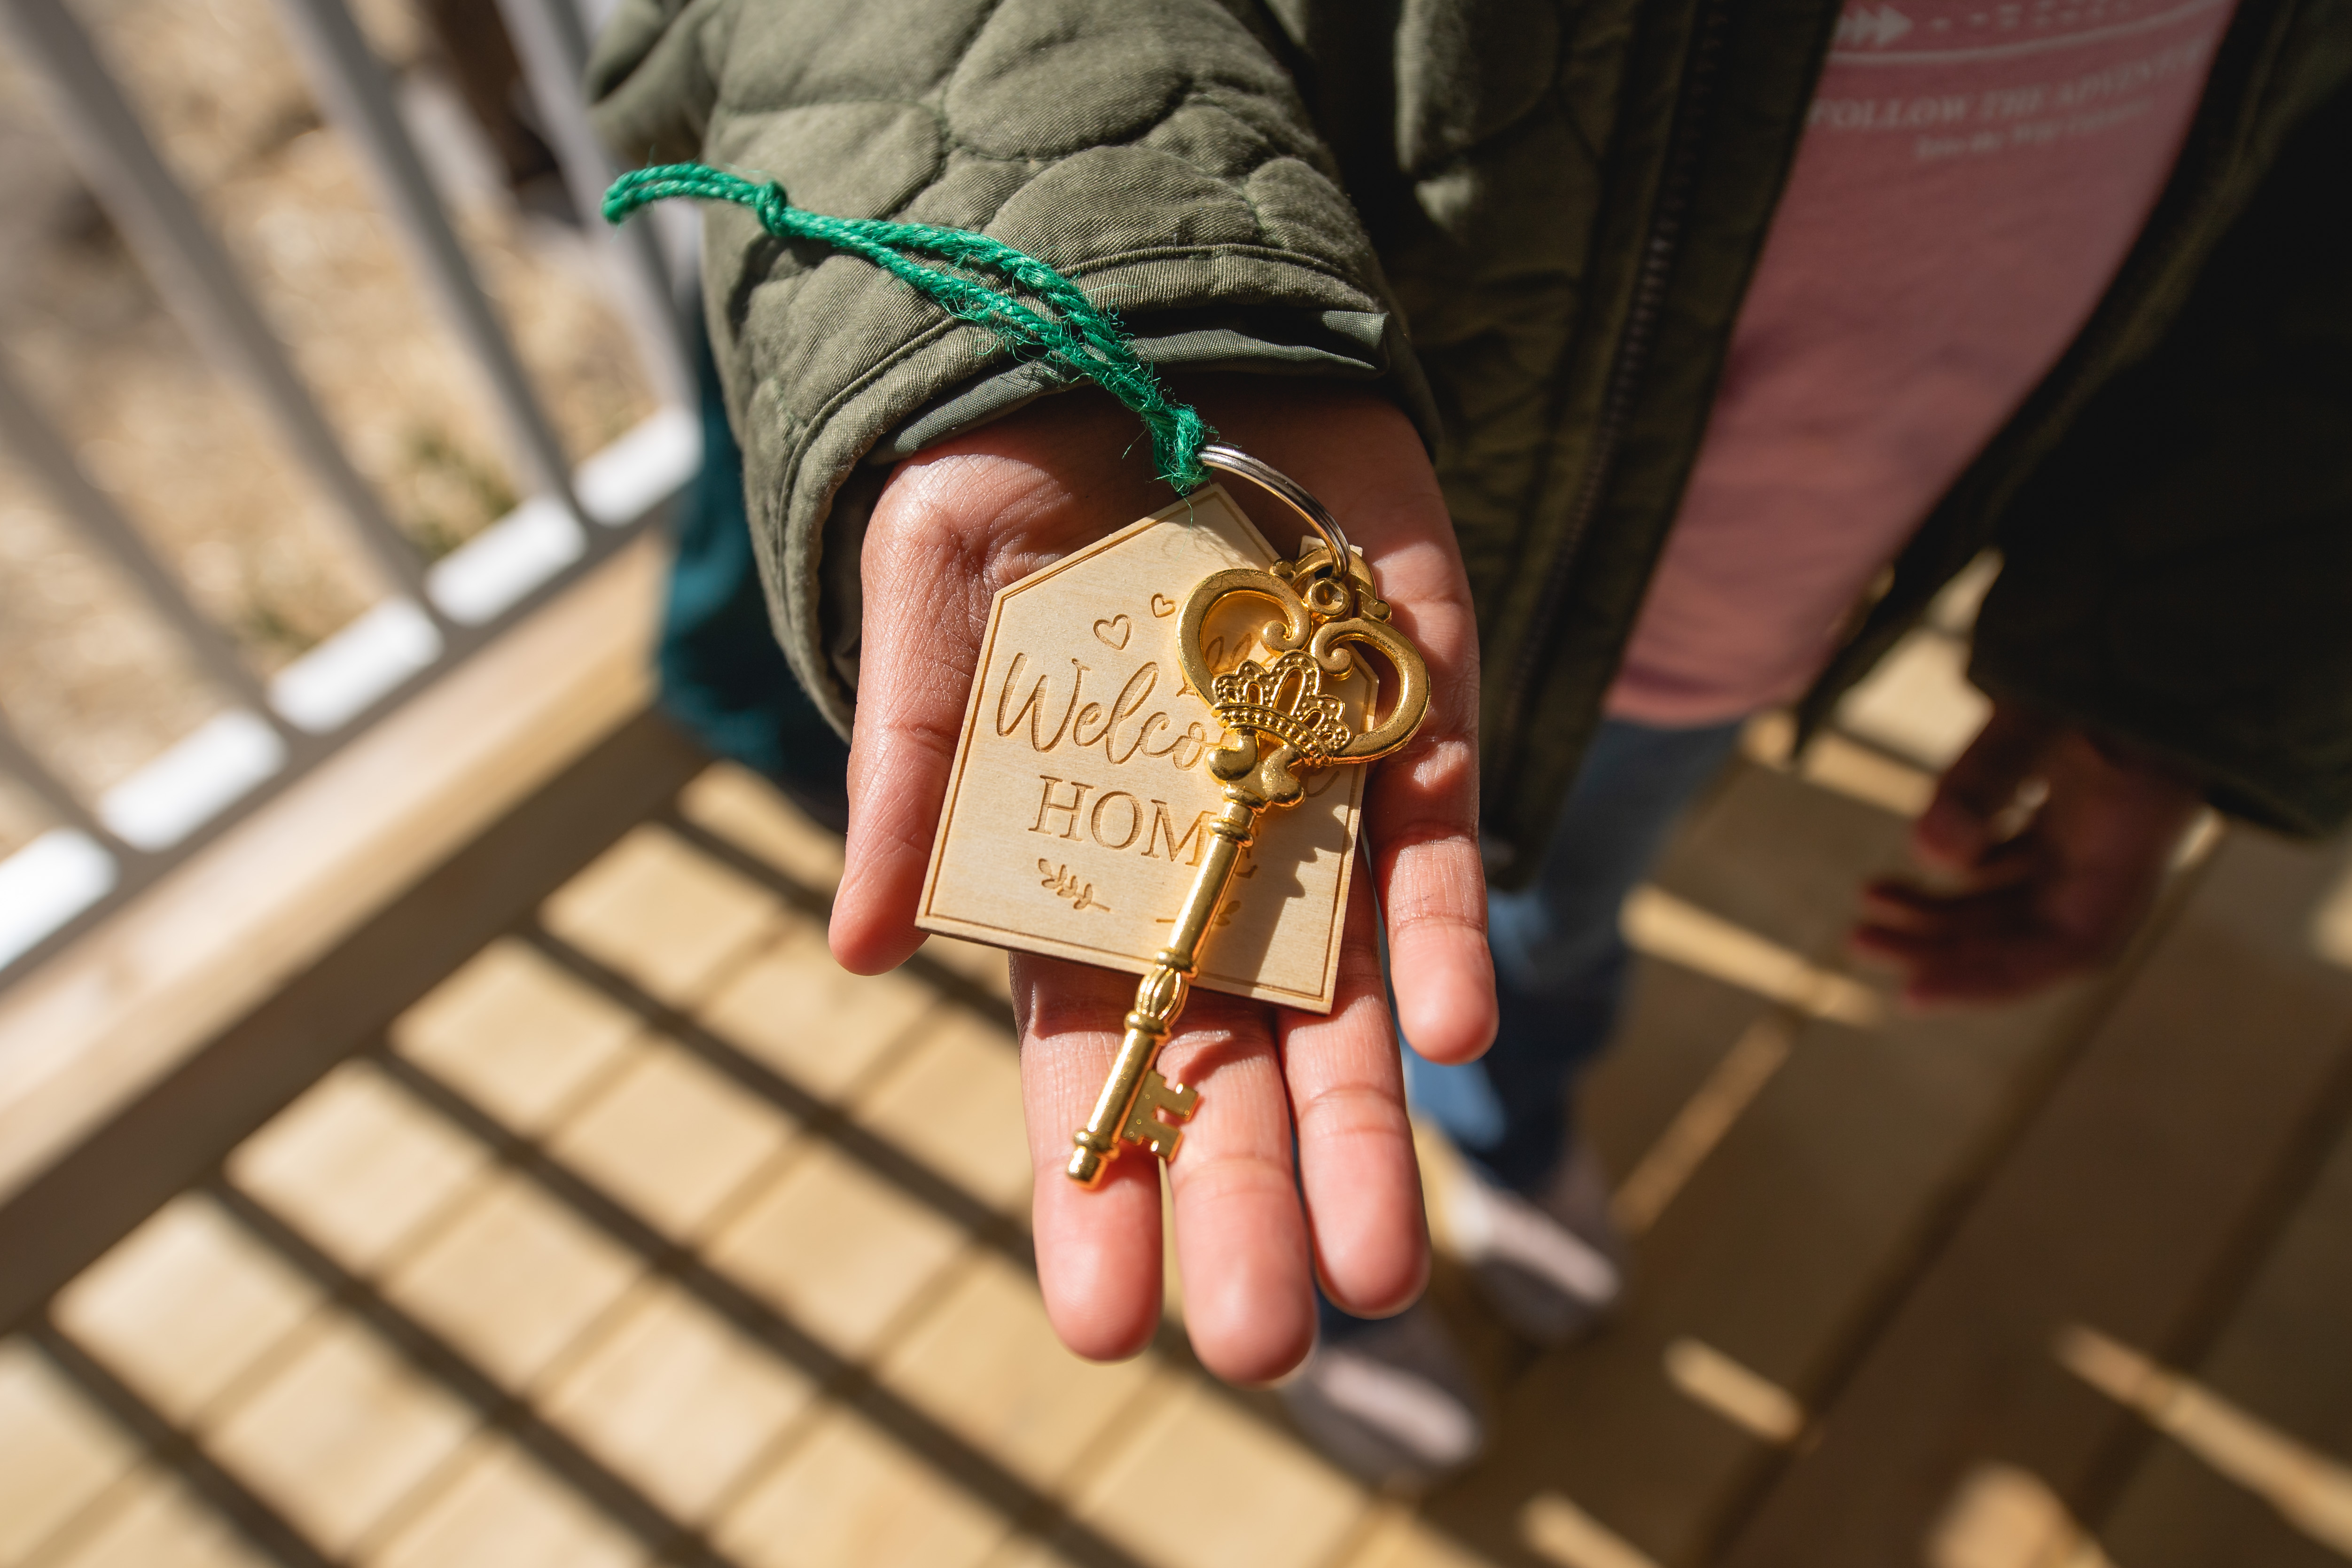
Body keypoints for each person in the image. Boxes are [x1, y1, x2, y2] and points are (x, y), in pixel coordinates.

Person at [589, 0, 2352, 1484]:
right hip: (1386, 441)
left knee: (1551, 926)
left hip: (1755, 596)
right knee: (1323, 994)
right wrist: (1135, 291)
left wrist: (2177, 655)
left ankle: (1511, 1122)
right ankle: (1366, 1278)